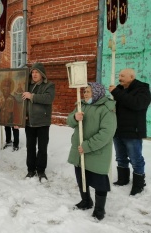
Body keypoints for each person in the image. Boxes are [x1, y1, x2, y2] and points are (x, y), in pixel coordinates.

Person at [67, 82, 116, 221]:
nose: (85, 94)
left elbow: (107, 133)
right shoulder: (81, 105)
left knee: (99, 181)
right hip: (79, 151)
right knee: (81, 177)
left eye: (88, 91)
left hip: (96, 152)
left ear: (97, 92)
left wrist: (87, 146)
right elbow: (69, 121)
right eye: (84, 91)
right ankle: (86, 201)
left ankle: (99, 210)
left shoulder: (106, 109)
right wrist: (75, 118)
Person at [109, 68, 151, 195]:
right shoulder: (120, 89)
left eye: (122, 76)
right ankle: (123, 179)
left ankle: (139, 184)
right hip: (118, 130)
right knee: (120, 157)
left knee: (135, 158)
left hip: (133, 131)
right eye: (119, 75)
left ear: (131, 77)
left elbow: (137, 104)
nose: (119, 78)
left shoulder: (142, 89)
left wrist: (116, 92)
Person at [22, 62, 55, 181]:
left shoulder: (49, 85)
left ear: (42, 74)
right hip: (29, 122)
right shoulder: (27, 85)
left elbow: (48, 98)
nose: (34, 74)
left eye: (37, 72)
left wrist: (32, 96)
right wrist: (22, 116)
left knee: (42, 148)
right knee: (30, 147)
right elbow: (22, 102)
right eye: (33, 72)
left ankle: (41, 171)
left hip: (42, 123)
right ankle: (31, 170)